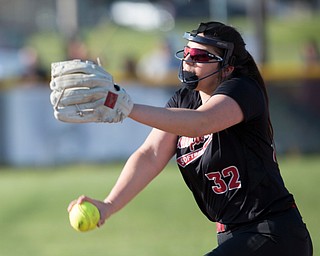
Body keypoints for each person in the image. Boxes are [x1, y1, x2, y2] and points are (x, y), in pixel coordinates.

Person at [68, 21, 313, 255]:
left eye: (200, 56)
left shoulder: (243, 89)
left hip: (272, 233)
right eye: (187, 52)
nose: (188, 60)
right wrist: (108, 205)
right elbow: (151, 154)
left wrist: (125, 106)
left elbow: (200, 123)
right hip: (234, 235)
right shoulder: (185, 100)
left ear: (227, 68)